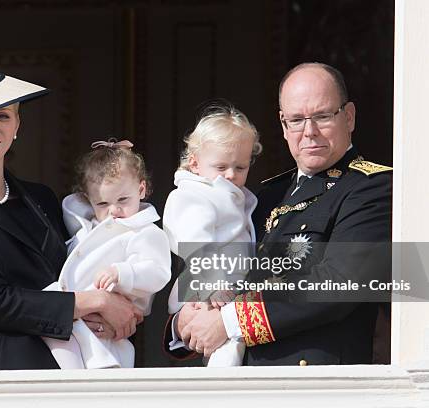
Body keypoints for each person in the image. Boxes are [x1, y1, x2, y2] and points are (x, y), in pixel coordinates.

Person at [164, 62, 392, 366]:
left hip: (314, 385)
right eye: (296, 120)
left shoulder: (372, 186)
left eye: (322, 116)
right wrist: (185, 322)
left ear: (348, 117)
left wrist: (229, 322)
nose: (309, 132)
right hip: (243, 381)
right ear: (283, 126)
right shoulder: (264, 196)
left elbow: (338, 282)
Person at [0, 70, 142, 371]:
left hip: (68, 367)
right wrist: (97, 303)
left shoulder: (41, 198)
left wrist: (118, 312)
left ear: (17, 126)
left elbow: (102, 249)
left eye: (3, 117)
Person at [43, 140, 171, 368]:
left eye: (123, 199)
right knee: (53, 328)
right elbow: (72, 204)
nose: (114, 210)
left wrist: (122, 272)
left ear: (141, 190)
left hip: (109, 320)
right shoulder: (87, 225)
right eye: (102, 202)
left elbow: (157, 270)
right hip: (73, 312)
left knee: (105, 366)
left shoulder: (145, 232)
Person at [162, 104, 261, 366]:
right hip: (207, 289)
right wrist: (213, 283)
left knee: (231, 346)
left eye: (241, 167)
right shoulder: (191, 195)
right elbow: (194, 244)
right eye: (221, 166)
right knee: (227, 353)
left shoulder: (233, 196)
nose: (231, 174)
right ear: (194, 163)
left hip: (228, 290)